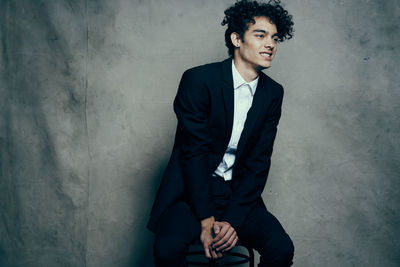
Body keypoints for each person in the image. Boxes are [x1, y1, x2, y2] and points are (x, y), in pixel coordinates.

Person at [147, 0, 295, 266]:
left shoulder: (273, 93)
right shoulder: (198, 80)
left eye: (274, 37)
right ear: (236, 39)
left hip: (237, 197)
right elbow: (194, 154)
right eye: (260, 35)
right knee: (167, 249)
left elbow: (259, 162)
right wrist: (206, 219)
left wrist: (232, 221)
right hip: (191, 193)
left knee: (281, 248)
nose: (270, 44)